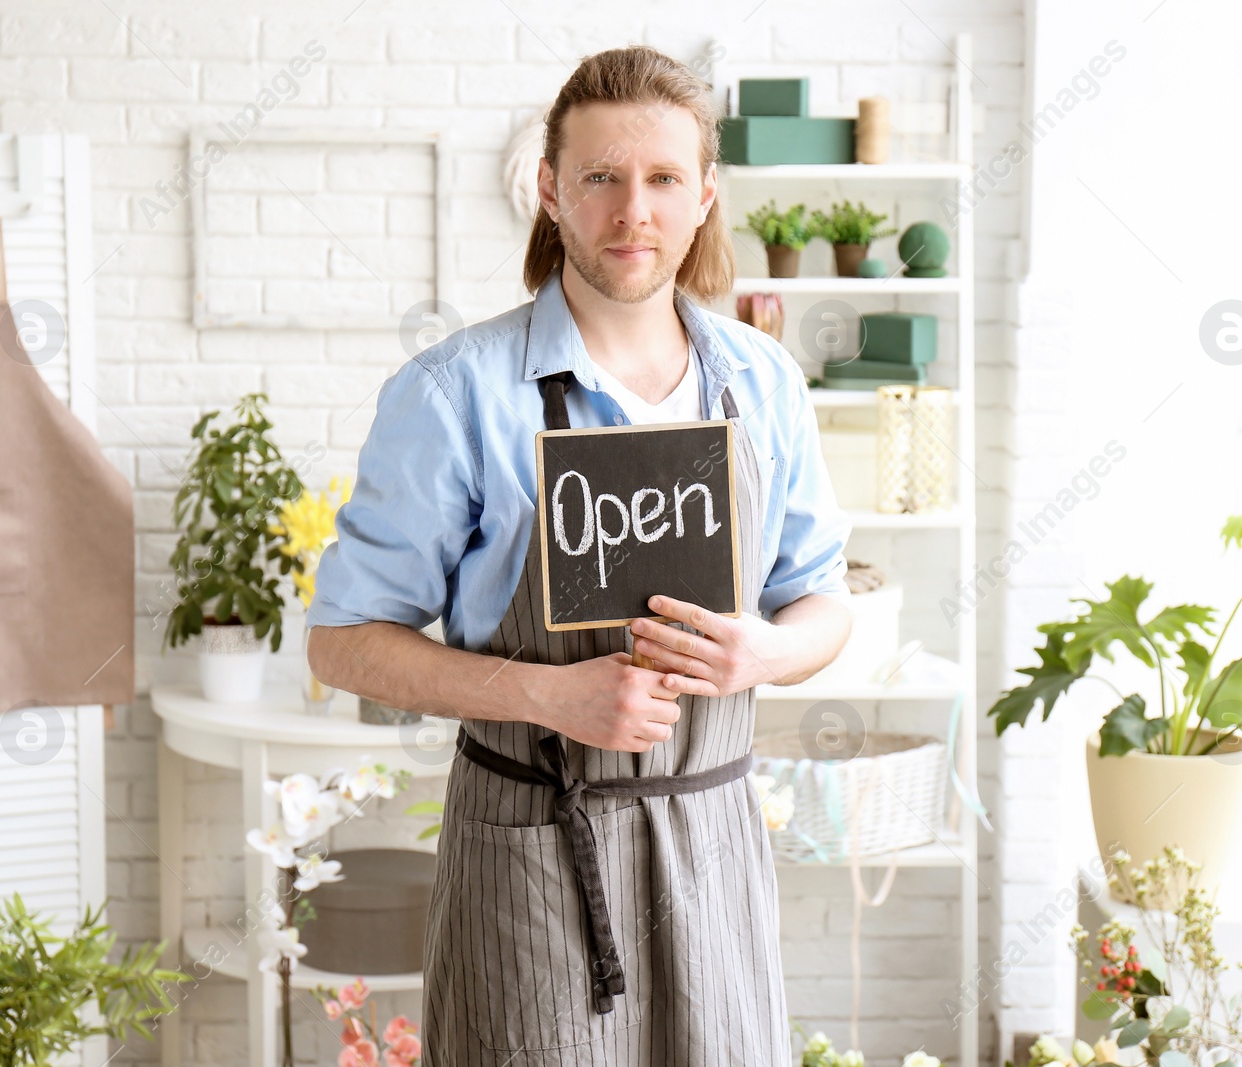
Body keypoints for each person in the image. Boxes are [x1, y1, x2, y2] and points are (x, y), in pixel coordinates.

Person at [307, 44, 853, 1067]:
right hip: (532, 858)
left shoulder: (762, 383)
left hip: (712, 845)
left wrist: (760, 656)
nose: (631, 212)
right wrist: (547, 695)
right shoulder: (455, 394)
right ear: (552, 190)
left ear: (704, 197)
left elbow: (821, 599)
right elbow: (343, 644)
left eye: (660, 181)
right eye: (601, 177)